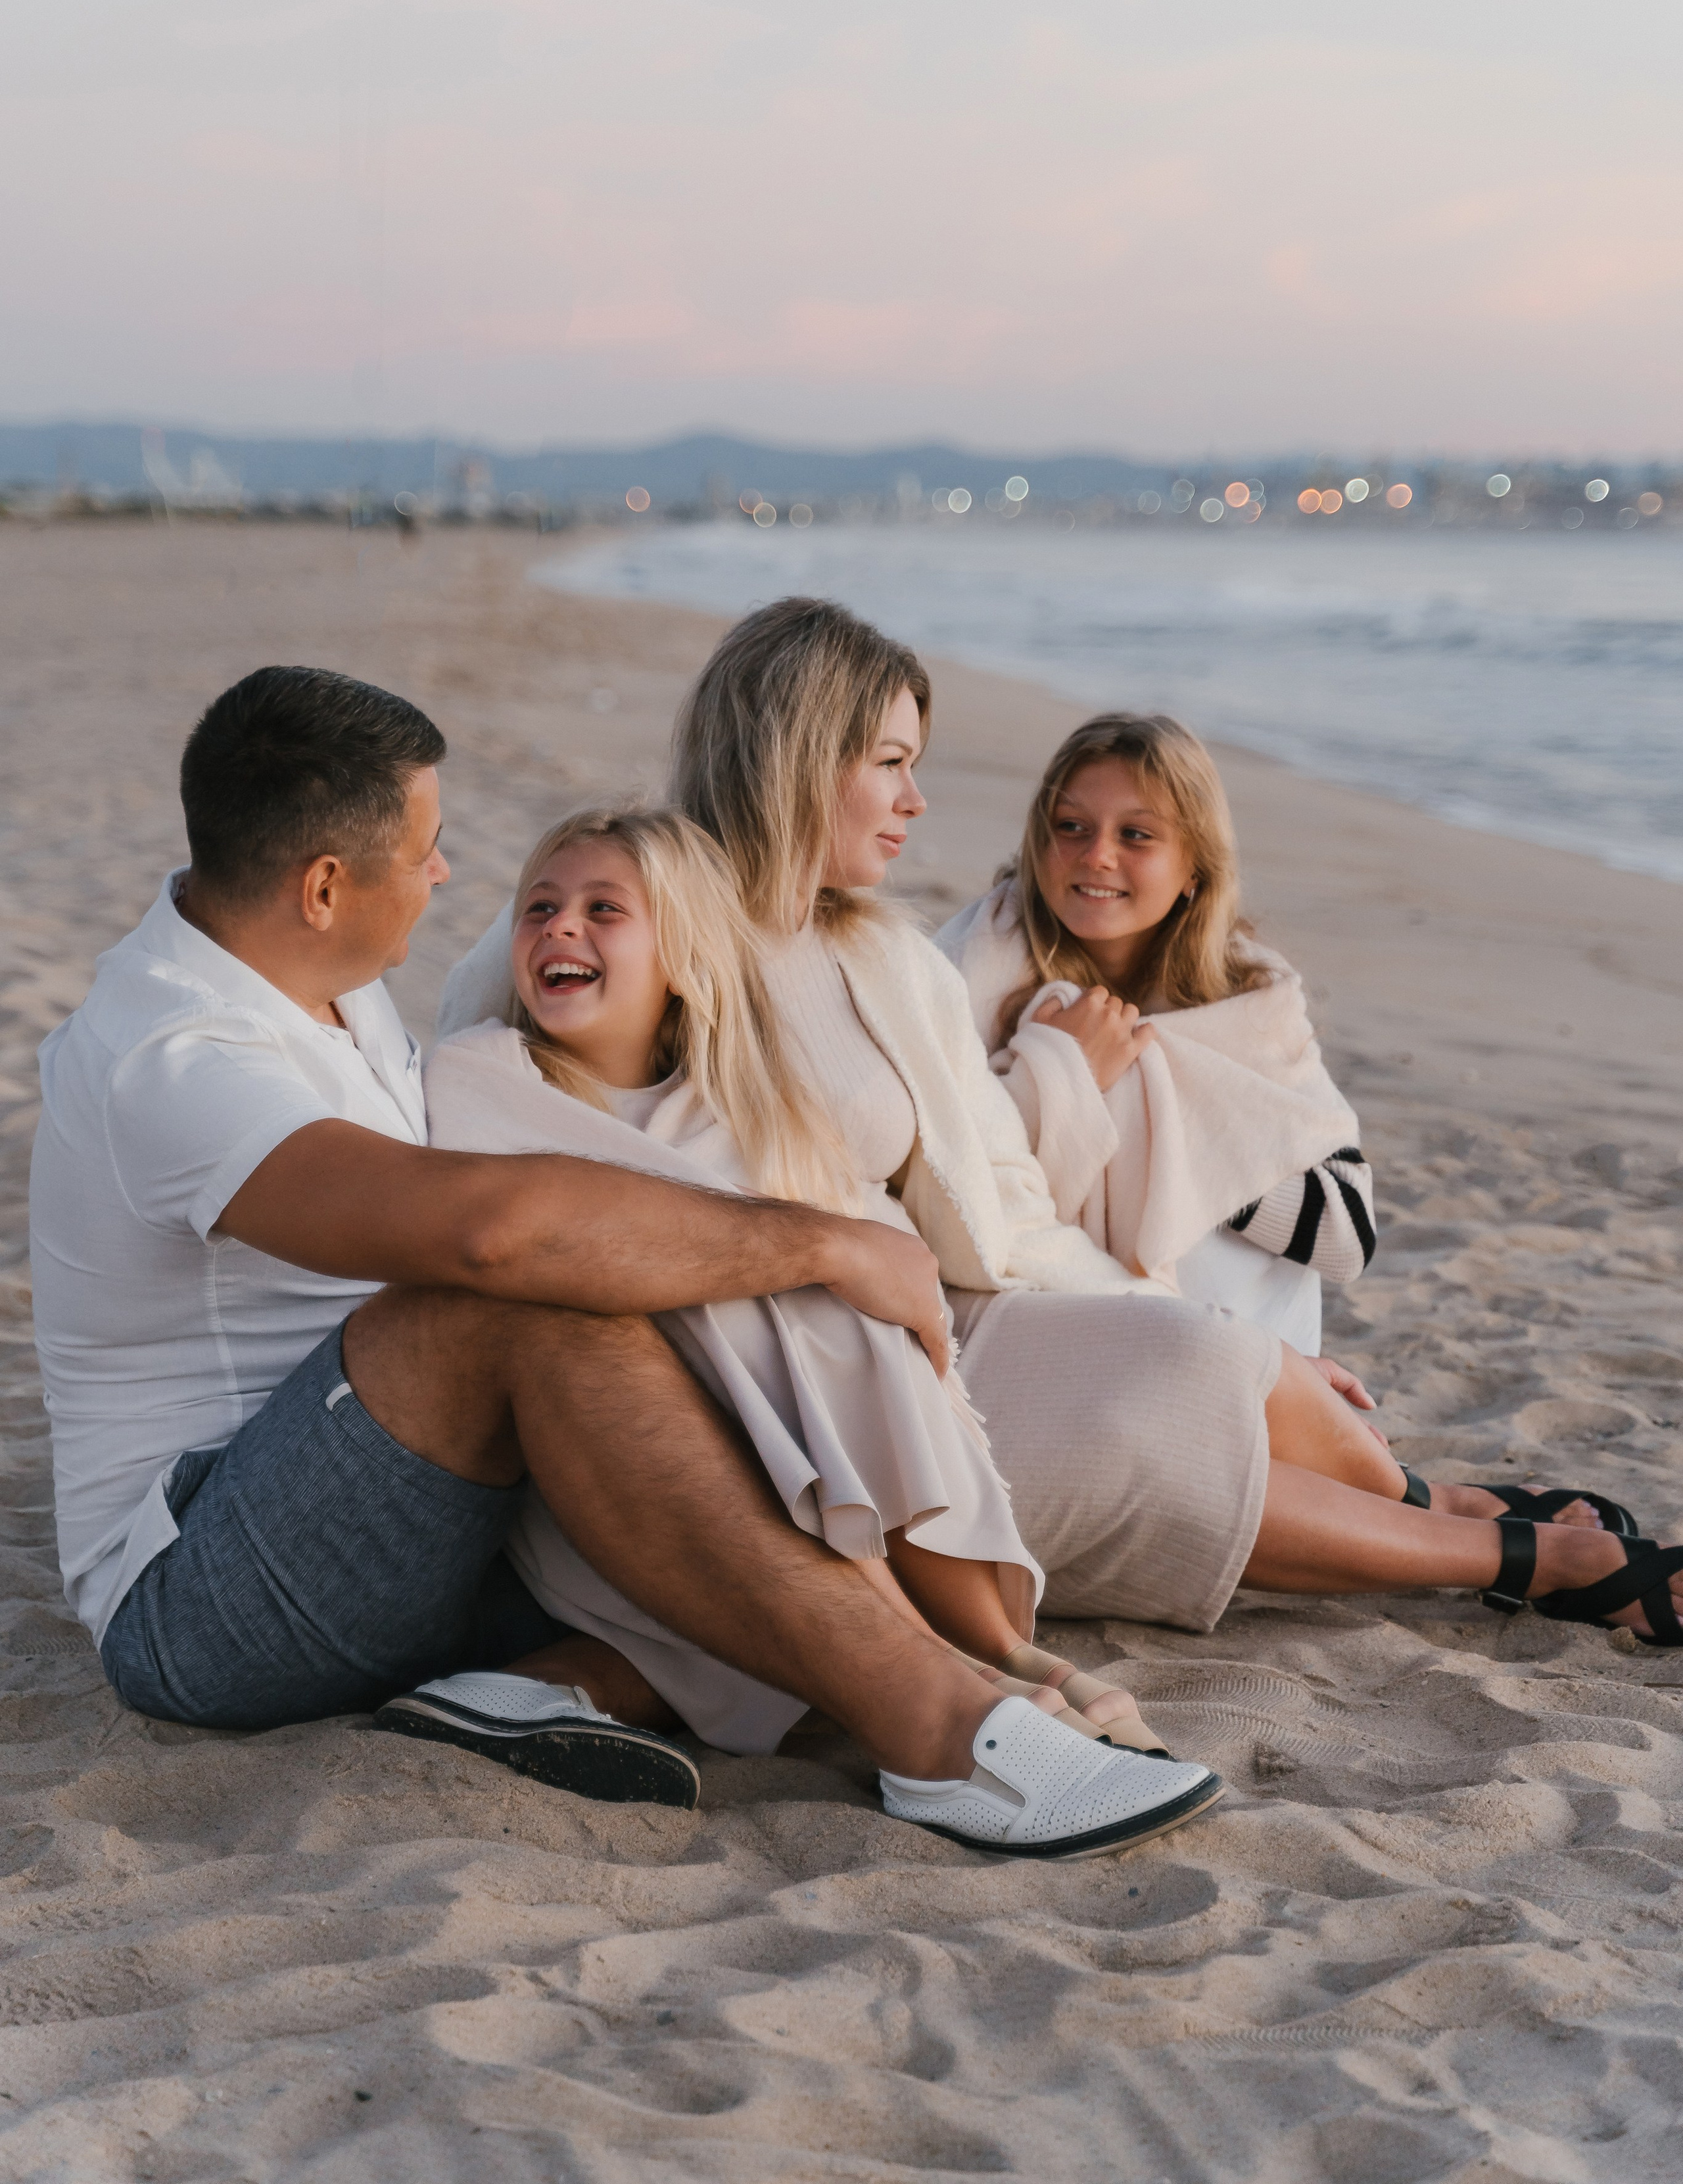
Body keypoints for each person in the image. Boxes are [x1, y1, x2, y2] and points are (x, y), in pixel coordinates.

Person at [27, 663, 1227, 1863]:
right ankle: (943, 1732)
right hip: (213, 1594)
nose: (446, 878)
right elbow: (483, 1231)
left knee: (701, 1383)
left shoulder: (326, 987)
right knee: (513, 1305)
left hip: (407, 1499)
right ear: (327, 885)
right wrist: (821, 1242)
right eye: (428, 850)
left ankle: (581, 1684)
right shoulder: (175, 1051)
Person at [440, 603, 1683, 1651]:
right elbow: (457, 1091)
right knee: (1180, 1410)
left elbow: (999, 1208)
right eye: (889, 761)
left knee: (1215, 1353)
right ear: (798, 753)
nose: (919, 800)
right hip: (780, 1393)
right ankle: (1520, 1559)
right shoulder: (627, 912)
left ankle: (1454, 1509)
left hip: (941, 1326)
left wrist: (1146, 1309)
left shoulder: (881, 957)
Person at [427, 801, 1170, 1755]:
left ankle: (990, 1645)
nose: (560, 928)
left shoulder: (730, 1109)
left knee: (838, 1319)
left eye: (604, 910)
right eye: (539, 908)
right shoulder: (483, 1077)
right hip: (632, 1466)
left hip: (781, 1426)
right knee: (738, 1314)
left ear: (683, 958)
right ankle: (929, 1658)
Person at [935, 711, 1374, 1360]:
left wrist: (1149, 1110)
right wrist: (1060, 1075)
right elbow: (935, 1178)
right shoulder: (969, 970)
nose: (1097, 855)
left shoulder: (1247, 1001)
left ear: (1194, 867)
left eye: (1135, 835)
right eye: (1071, 827)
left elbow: (1347, 1238)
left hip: (1238, 1345)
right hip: (1039, 1332)